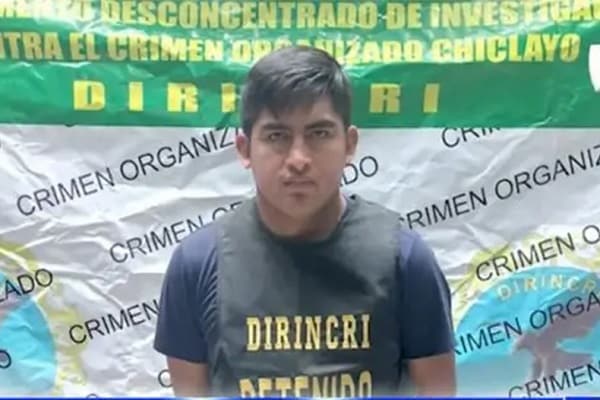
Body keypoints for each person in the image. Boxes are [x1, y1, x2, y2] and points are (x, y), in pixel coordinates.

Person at [153, 45, 456, 397]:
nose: (298, 159)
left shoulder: (406, 260)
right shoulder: (197, 264)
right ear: (245, 149)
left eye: (319, 133)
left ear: (350, 144)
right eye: (277, 136)